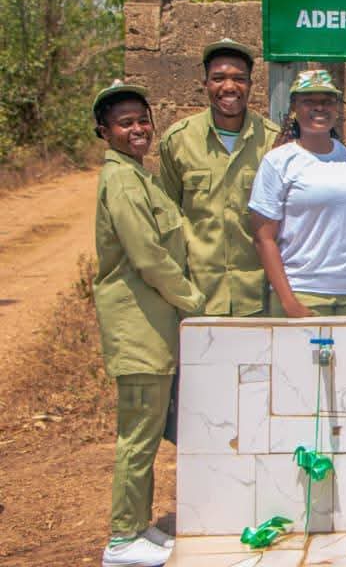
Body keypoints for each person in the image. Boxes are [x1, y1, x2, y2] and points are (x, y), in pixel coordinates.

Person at [92, 80, 206, 567]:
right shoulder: (121, 180)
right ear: (104, 132)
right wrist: (193, 300)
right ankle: (122, 539)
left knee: (148, 432)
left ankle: (139, 526)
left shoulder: (139, 175)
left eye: (142, 120)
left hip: (153, 329)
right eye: (125, 123)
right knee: (138, 437)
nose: (137, 129)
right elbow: (147, 256)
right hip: (138, 330)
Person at [158, 38, 279, 317]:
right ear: (205, 84)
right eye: (218, 78)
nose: (229, 87)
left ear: (251, 85)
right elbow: (169, 216)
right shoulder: (178, 140)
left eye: (239, 79)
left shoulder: (272, 142)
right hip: (198, 296)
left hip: (257, 298)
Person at [249, 69, 346, 316]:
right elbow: (263, 239)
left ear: (337, 107)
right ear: (294, 107)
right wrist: (289, 302)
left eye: (327, 101)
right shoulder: (278, 161)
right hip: (303, 292)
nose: (320, 108)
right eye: (309, 101)